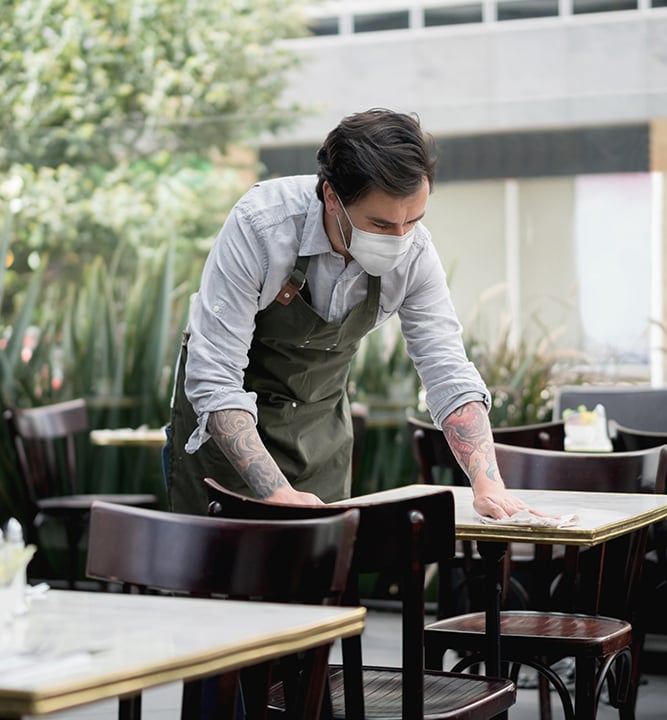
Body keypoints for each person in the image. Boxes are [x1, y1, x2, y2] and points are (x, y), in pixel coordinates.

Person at [166, 108, 530, 520]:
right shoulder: (262, 226)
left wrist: (487, 483)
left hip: (319, 443)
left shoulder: (415, 252)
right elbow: (213, 376)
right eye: (380, 224)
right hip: (227, 459)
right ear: (331, 197)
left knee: (320, 580)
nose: (399, 239)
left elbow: (447, 369)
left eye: (413, 220)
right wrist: (276, 491)